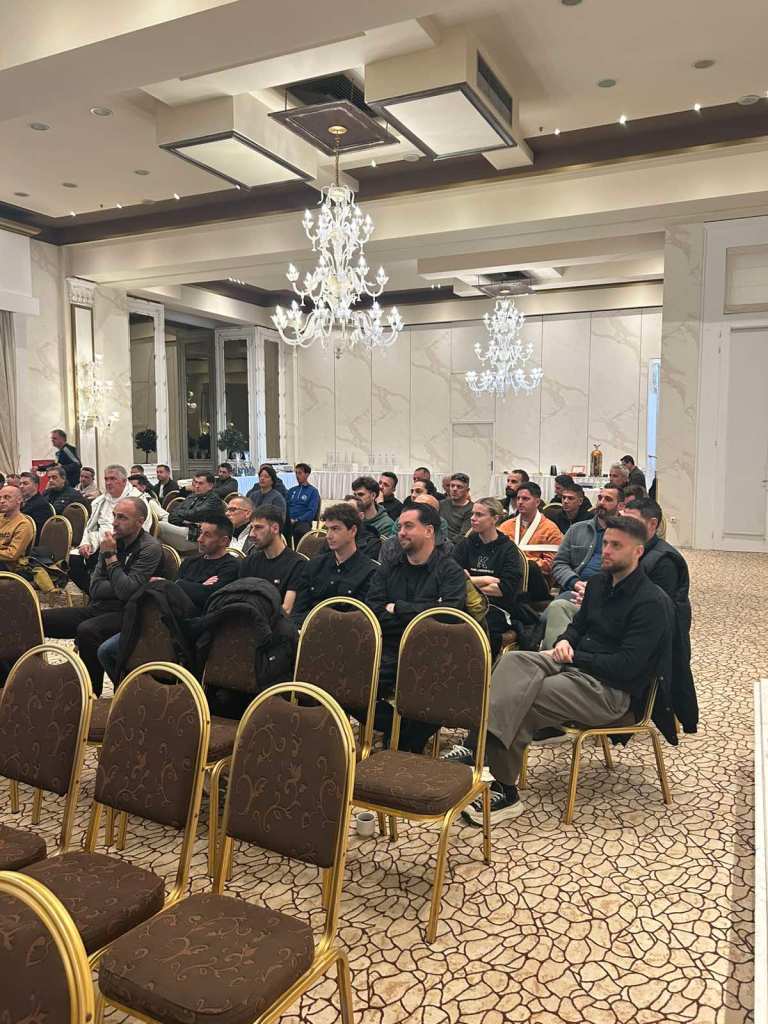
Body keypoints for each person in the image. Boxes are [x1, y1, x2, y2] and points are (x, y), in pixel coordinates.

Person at [462, 516, 667, 824]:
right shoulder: (599, 584)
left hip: (609, 691)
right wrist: (564, 641)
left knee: (528, 694)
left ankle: (502, 785)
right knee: (513, 661)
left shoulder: (651, 602)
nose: (606, 551)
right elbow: (577, 626)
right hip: (576, 665)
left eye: (616, 545)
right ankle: (478, 745)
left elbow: (627, 666)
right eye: (605, 543)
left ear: (638, 551)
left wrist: (575, 655)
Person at [366, 503, 467, 752]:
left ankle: (408, 739)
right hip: (390, 648)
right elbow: (374, 611)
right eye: (400, 526)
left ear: (429, 531)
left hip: (433, 653)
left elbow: (447, 618)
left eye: (409, 526)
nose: (401, 532)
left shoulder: (450, 571)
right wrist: (423, 612)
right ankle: (397, 729)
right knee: (349, 683)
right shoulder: (390, 566)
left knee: (444, 690)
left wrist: (399, 608)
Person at [43, 497, 162, 695]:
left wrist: (110, 557)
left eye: (122, 517)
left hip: (130, 614)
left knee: (87, 630)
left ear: (140, 522)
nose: (114, 522)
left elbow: (127, 592)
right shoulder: (110, 541)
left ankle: (91, 694)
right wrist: (122, 582)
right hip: (100, 607)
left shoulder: (149, 548)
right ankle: (20, 678)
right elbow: (95, 587)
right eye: (114, 516)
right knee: (38, 619)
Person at [622, 497, 698, 733]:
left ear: (652, 524)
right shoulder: (630, 550)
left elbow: (655, 614)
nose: (624, 527)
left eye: (631, 521)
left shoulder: (664, 561)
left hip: (652, 639)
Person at [543, 484, 623, 646]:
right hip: (575, 589)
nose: (601, 502)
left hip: (609, 594)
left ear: (620, 506)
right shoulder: (577, 530)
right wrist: (575, 583)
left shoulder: (626, 536)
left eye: (608, 499)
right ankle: (554, 654)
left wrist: (596, 591)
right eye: (600, 498)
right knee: (546, 616)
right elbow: (559, 563)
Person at [451, 497, 524, 657]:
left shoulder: (508, 549)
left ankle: (482, 668)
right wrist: (485, 580)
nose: (473, 518)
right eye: (472, 514)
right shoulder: (465, 544)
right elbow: (451, 580)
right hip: (464, 603)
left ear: (495, 519)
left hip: (496, 607)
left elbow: (504, 589)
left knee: (481, 627)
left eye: (479, 515)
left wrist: (467, 582)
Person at [292, 502, 378, 625]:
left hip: (347, 632)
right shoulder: (313, 566)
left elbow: (361, 619)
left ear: (353, 531)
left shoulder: (370, 572)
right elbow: (298, 611)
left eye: (335, 529)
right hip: (310, 630)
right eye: (327, 529)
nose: (328, 536)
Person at [239, 506, 306, 615]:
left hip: (275, 622)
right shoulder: (249, 562)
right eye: (251, 528)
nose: (251, 534)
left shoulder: (297, 564)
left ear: (275, 528)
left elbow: (287, 609)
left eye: (258, 527)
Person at [499, 481, 563, 575]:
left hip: (535, 578)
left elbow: (551, 565)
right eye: (518, 498)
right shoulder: (505, 526)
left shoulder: (551, 529)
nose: (520, 502)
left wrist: (522, 561)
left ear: (537, 502)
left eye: (525, 499)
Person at [158, 472, 225, 554]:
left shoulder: (213, 500)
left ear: (210, 486)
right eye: (195, 482)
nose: (196, 486)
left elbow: (194, 514)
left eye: (200, 483)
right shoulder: (193, 496)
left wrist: (182, 517)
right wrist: (184, 520)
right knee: (159, 524)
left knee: (159, 526)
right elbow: (173, 513)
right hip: (186, 527)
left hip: (198, 536)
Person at [0, 483, 35, 572]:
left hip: (8, 566)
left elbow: (12, 555)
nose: (2, 501)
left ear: (19, 500)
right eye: (0, 498)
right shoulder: (1, 517)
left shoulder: (23, 524)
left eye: (7, 497)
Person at [286, 463, 321, 545]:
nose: (297, 476)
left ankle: (299, 551)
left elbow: (311, 512)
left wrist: (297, 520)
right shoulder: (291, 490)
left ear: (307, 474)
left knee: (300, 531)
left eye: (300, 473)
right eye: (296, 473)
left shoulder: (313, 491)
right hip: (289, 521)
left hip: (303, 522)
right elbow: (285, 506)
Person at [440, 473, 474, 543]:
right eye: (452, 486)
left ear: (467, 490)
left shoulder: (471, 509)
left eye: (459, 487)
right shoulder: (441, 504)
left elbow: (463, 535)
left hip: (456, 545)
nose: (454, 489)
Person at [18, 472, 52, 541]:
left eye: (25, 483)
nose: (21, 486)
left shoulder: (41, 505)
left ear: (36, 486)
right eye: (20, 484)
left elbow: (36, 531)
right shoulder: (20, 502)